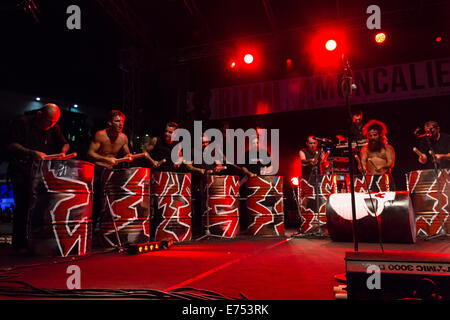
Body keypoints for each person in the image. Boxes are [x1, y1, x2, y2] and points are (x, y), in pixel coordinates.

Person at [7, 103, 70, 252]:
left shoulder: (54, 127)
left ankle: (39, 241)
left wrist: (63, 151)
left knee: (42, 206)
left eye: (53, 123)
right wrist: (31, 152)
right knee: (22, 205)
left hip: (42, 171)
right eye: (48, 121)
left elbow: (65, 143)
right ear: (39, 114)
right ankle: (19, 244)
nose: (50, 125)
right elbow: (10, 145)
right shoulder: (22, 122)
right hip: (21, 168)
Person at [87, 110, 132, 232]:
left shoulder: (123, 138)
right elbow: (90, 153)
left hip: (110, 171)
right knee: (95, 200)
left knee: (110, 200)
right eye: (117, 121)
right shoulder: (100, 135)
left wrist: (128, 157)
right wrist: (105, 159)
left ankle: (106, 228)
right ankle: (91, 226)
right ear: (109, 123)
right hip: (97, 170)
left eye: (122, 121)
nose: (120, 124)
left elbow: (127, 153)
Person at [359, 120, 395, 190]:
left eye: (375, 135)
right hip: (370, 179)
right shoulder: (365, 149)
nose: (372, 138)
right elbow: (362, 162)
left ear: (380, 135)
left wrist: (382, 166)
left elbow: (391, 163)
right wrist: (361, 167)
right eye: (370, 136)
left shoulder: (388, 148)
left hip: (385, 179)